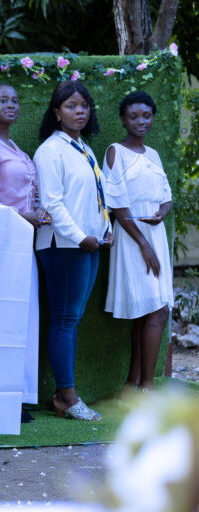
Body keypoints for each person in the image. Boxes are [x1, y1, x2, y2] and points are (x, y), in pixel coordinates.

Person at [0, 84, 49, 422]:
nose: (11, 105)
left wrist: (36, 213)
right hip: (0, 246)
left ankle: (16, 395)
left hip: (21, 242)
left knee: (22, 319)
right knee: (0, 320)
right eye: (3, 100)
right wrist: (24, 216)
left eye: (15, 100)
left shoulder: (13, 147)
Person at [34, 80, 113, 421]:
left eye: (84, 106)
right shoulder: (50, 150)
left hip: (89, 244)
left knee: (72, 319)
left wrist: (105, 230)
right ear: (57, 112)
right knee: (65, 319)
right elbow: (53, 204)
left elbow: (96, 197)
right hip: (64, 246)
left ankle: (63, 393)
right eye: (71, 106)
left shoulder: (84, 149)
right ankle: (67, 396)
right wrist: (82, 238)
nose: (79, 111)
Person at [103, 91, 173, 392]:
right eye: (133, 116)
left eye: (146, 115)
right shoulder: (115, 151)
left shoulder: (153, 154)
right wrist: (143, 244)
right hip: (133, 238)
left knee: (148, 311)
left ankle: (132, 384)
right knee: (158, 310)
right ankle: (147, 387)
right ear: (123, 119)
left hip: (154, 235)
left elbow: (166, 196)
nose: (141, 121)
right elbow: (116, 205)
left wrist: (162, 213)